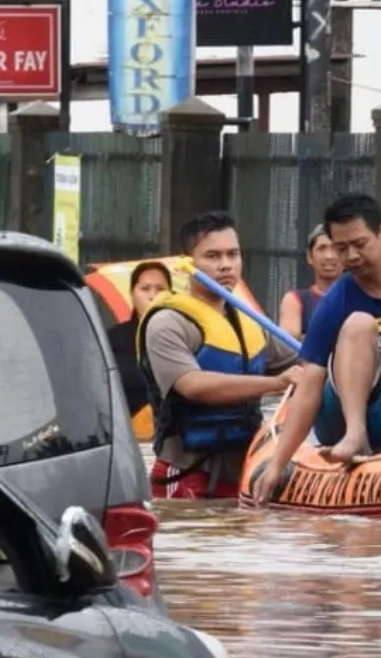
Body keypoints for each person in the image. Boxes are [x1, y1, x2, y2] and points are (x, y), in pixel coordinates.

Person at [252, 193, 381, 493]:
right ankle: (356, 433)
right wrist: (277, 464)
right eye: (341, 248)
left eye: (360, 245)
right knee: (359, 323)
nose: (352, 257)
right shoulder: (336, 301)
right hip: (345, 413)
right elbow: (309, 383)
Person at [136, 211, 298, 499]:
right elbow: (194, 386)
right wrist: (277, 383)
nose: (226, 265)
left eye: (233, 255)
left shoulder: (250, 321)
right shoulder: (167, 322)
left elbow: (306, 361)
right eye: (212, 256)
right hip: (187, 471)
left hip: (244, 470)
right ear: (187, 264)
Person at [107, 260, 174, 416]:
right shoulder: (113, 339)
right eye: (145, 289)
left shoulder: (183, 335)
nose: (152, 295)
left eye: (160, 289)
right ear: (132, 293)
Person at [279, 224, 341, 337]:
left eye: (336, 248)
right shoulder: (296, 300)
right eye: (321, 248)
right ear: (309, 256)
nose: (329, 256)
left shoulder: (359, 299)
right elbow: (287, 347)